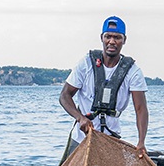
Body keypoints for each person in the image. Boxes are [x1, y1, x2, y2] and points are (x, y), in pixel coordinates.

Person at [60, 16, 148, 154]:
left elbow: (140, 108)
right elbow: (64, 95)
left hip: (110, 140)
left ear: (124, 40)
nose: (112, 41)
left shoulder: (133, 71)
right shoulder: (86, 63)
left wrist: (141, 141)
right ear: (102, 38)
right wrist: (80, 118)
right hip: (81, 138)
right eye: (108, 36)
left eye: (117, 37)